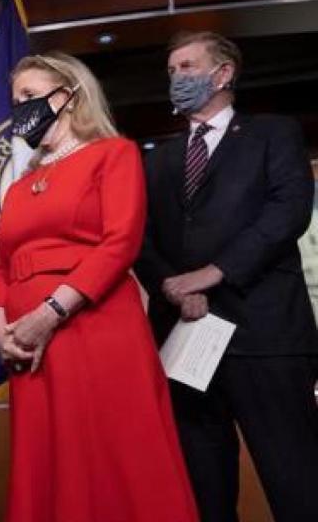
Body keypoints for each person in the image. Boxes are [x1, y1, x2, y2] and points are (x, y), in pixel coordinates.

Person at [0, 52, 198, 522]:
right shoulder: (20, 186)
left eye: (28, 95)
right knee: (47, 460)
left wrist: (49, 313)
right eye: (13, 99)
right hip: (27, 348)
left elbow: (120, 243)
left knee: (113, 455)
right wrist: (2, 329)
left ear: (65, 95)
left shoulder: (114, 154)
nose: (18, 107)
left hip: (93, 329)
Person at [136, 31, 318, 522]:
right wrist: (172, 286)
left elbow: (288, 212)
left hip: (265, 336)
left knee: (296, 480)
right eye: (172, 70)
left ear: (224, 74)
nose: (177, 78)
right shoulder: (156, 159)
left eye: (189, 67)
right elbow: (139, 237)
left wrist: (212, 274)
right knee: (203, 487)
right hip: (184, 339)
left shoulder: (273, 134)